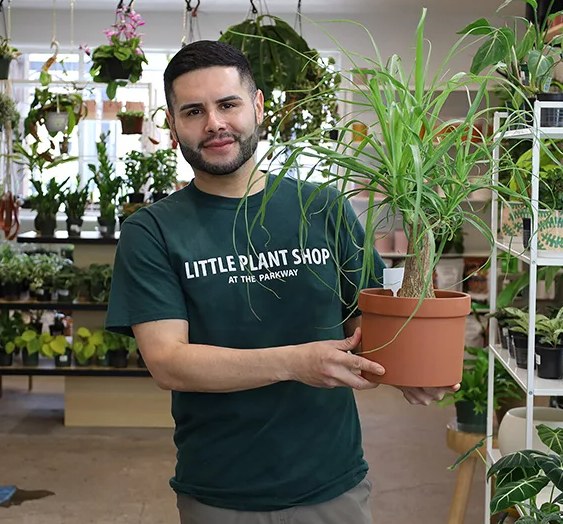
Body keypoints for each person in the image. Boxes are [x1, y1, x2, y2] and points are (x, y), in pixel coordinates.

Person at [104, 40, 457, 524]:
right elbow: (169, 363)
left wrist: (413, 366)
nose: (214, 124)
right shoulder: (154, 230)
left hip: (332, 482)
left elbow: (365, 319)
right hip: (221, 491)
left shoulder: (324, 208)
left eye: (228, 104)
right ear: (172, 127)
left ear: (258, 106)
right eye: (193, 111)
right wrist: (297, 362)